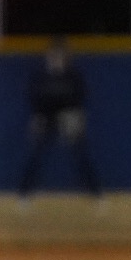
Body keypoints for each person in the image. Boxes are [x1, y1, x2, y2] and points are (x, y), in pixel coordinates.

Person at [18, 36, 103, 198]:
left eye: (60, 55)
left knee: (81, 155)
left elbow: (80, 97)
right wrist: (37, 117)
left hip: (68, 117)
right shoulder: (40, 76)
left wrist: (76, 117)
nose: (56, 58)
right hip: (46, 117)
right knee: (36, 155)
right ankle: (24, 194)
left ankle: (96, 193)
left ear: (66, 57)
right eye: (53, 55)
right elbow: (34, 97)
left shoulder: (73, 76)